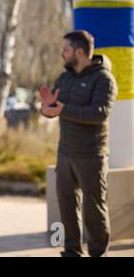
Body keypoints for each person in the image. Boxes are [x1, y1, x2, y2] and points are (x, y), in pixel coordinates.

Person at [39, 30, 118, 257]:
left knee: (93, 208)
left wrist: (64, 109)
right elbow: (53, 107)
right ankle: (72, 250)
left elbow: (100, 113)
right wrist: (47, 109)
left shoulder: (104, 79)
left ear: (80, 52)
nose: (62, 54)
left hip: (92, 154)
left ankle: (97, 252)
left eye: (66, 49)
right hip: (65, 153)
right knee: (66, 204)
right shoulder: (65, 77)